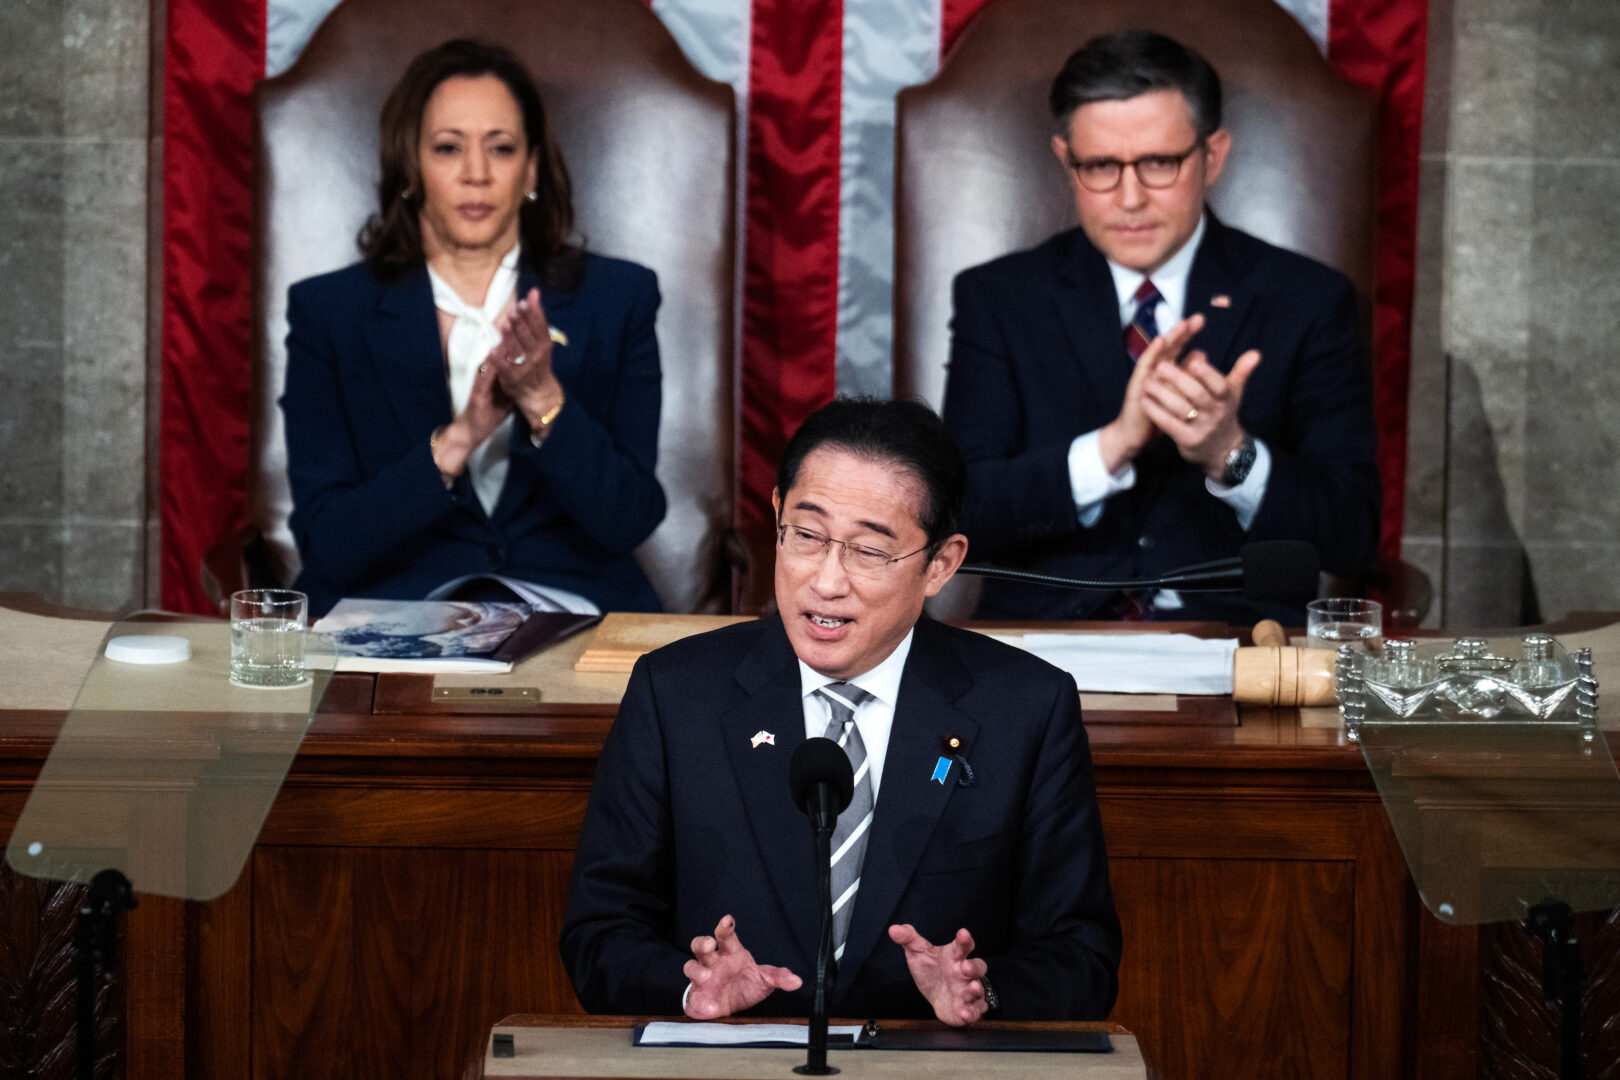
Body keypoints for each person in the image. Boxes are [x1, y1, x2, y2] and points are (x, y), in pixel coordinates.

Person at [561, 398, 1120, 1024]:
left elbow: (1083, 958)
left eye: (869, 551)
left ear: (941, 563)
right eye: (806, 535)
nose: (826, 581)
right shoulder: (676, 694)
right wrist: (692, 989)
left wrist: (981, 992)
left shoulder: (1026, 709)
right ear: (776, 516)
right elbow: (600, 932)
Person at [942, 30, 1380, 624]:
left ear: (1213, 156)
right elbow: (960, 514)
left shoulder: (1307, 300)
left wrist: (1231, 452)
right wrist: (1111, 448)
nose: (1130, 198)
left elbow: (1351, 533)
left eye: (1158, 163)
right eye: (1100, 166)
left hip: (1238, 651)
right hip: (1047, 646)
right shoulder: (998, 298)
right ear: (1064, 160)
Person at [280, 39, 666, 618]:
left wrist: (543, 401)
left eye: (502, 148)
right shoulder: (328, 312)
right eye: (448, 148)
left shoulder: (619, 299)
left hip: (575, 614)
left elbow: (629, 519)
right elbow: (328, 544)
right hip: (394, 617)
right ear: (411, 167)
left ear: (531, 168)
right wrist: (458, 439)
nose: (477, 174)